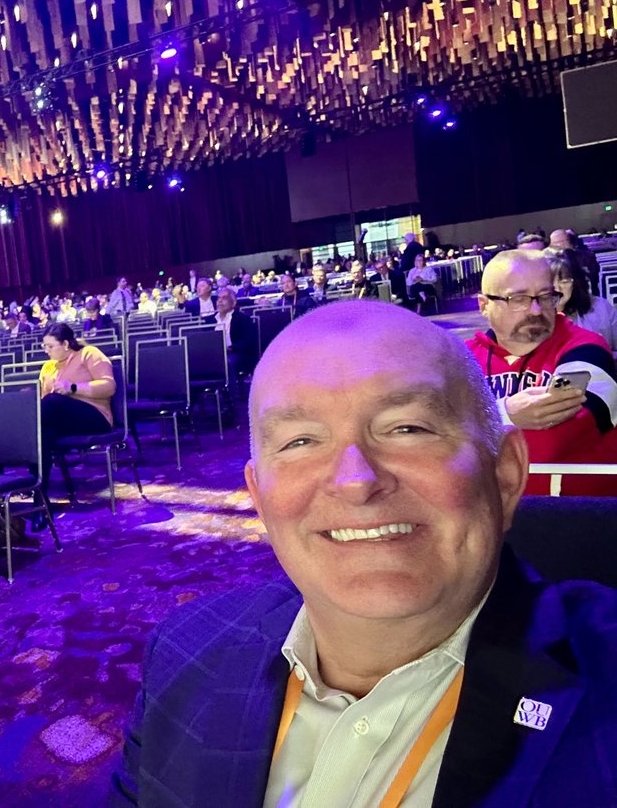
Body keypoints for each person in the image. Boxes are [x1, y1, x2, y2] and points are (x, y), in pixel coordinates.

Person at [115, 300, 617, 806]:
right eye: (300, 441)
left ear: (505, 476)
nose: (356, 481)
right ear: (261, 498)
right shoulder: (184, 653)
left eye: (407, 429)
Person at [468, 249, 617, 495]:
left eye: (546, 297)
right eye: (518, 299)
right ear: (484, 305)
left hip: (575, 515)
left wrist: (466, 433)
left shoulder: (585, 347)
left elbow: (562, 435)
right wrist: (506, 414)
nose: (536, 310)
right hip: (489, 521)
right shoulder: (459, 359)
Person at [37, 323, 115, 485]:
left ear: (65, 344)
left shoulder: (88, 354)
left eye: (50, 346)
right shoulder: (48, 367)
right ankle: (40, 491)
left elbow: (109, 387)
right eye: (44, 346)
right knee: (43, 433)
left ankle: (10, 448)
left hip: (95, 415)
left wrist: (73, 388)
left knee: (51, 403)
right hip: (64, 420)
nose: (46, 351)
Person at [547, 248, 617, 351]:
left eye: (564, 281)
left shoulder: (600, 307)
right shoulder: (533, 320)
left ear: (574, 283)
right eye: (550, 282)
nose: (557, 289)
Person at [212, 286, 258, 379]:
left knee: (227, 362)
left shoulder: (242, 319)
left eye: (224, 298)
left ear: (233, 303)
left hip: (236, 353)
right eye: (218, 298)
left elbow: (249, 341)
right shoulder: (210, 320)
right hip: (213, 354)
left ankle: (233, 392)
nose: (220, 301)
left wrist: (230, 348)